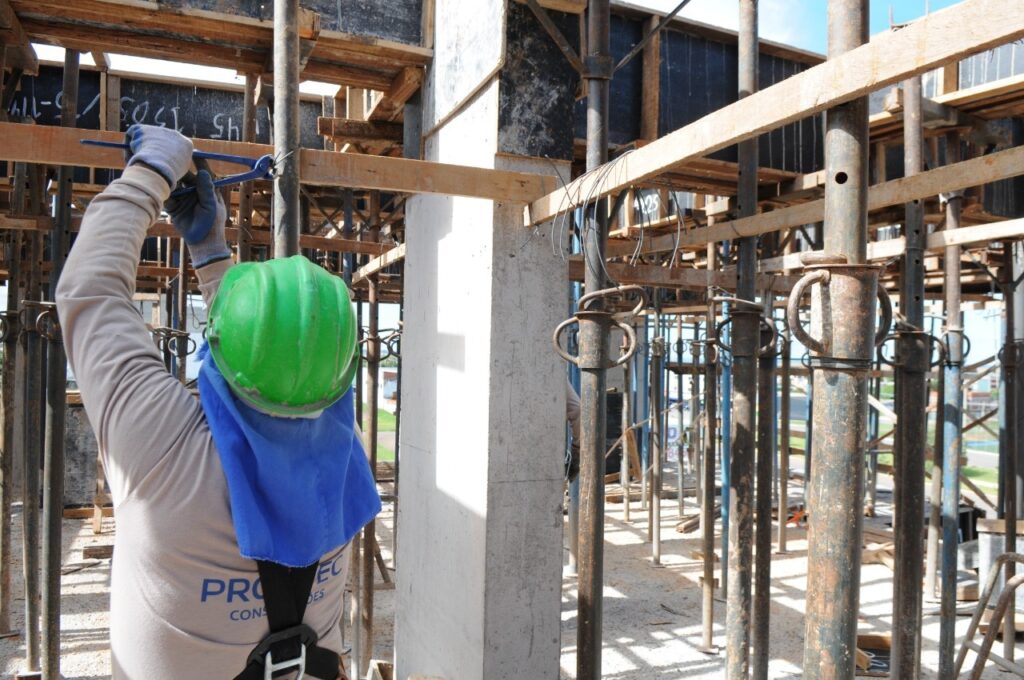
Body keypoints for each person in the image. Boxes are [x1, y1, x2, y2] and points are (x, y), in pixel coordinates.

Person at [56, 124, 380, 679]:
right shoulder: (346, 461)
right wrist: (210, 255)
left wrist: (154, 170)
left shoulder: (162, 449)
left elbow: (91, 290)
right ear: (342, 374)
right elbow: (274, 365)